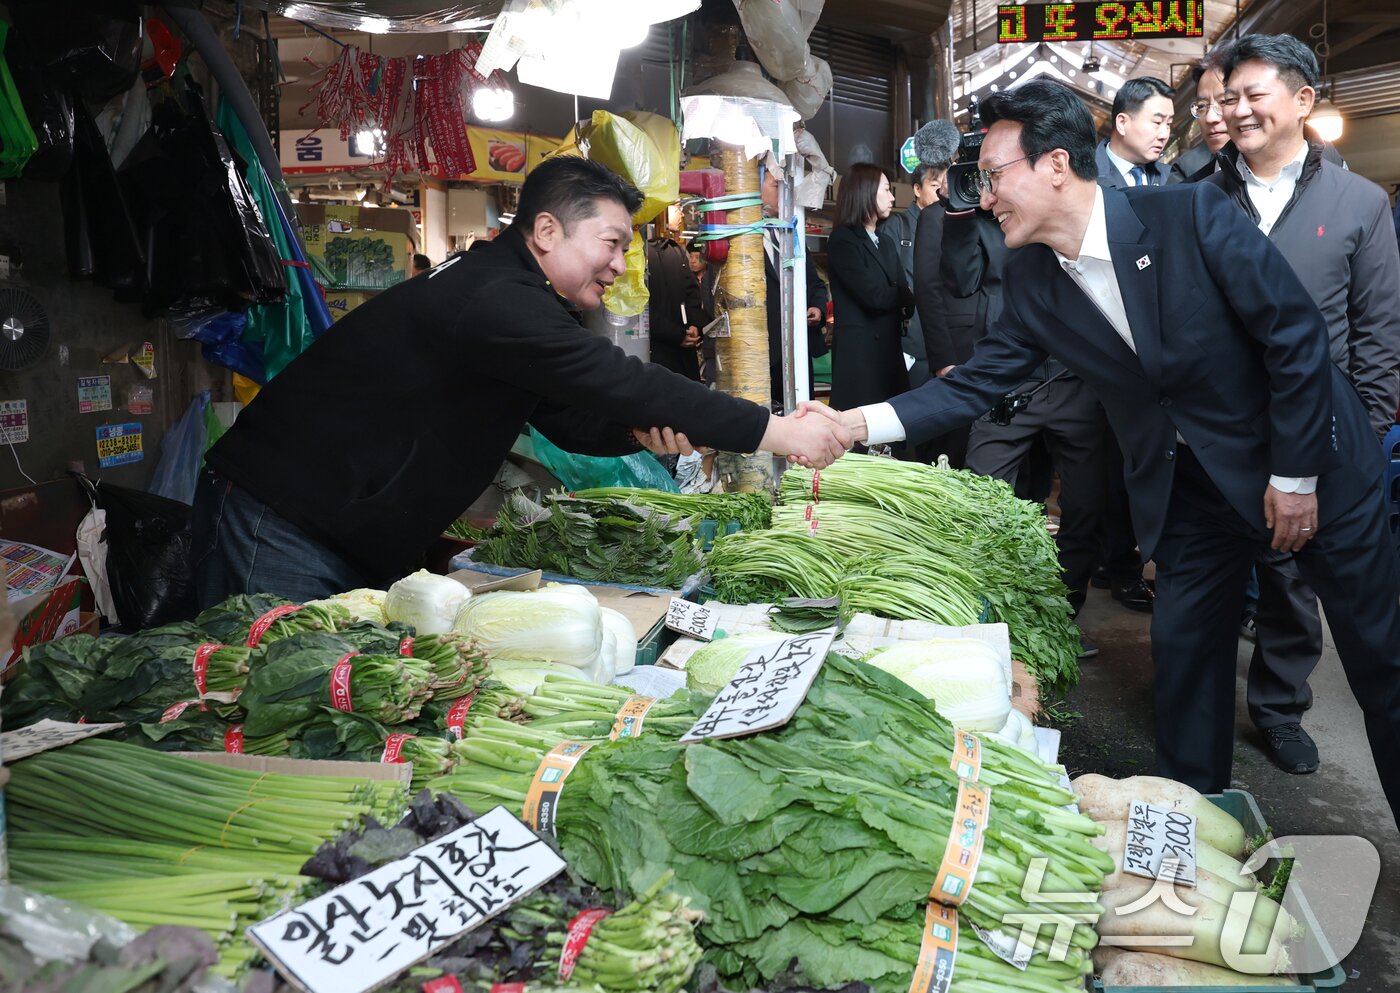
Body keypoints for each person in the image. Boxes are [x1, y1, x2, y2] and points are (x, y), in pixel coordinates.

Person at [805, 79, 1400, 825]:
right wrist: (849, 426)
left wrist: (1294, 474)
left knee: (1382, 663)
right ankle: (1196, 835)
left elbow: (1295, 338)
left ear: (1056, 164)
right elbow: (977, 384)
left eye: (993, 175)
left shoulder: (1187, 214)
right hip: (1191, 490)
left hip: (1308, 461)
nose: (985, 197)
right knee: (1185, 672)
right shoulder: (1031, 277)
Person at [192, 157, 851, 606]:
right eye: (612, 242)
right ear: (545, 230)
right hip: (279, 523)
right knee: (265, 712)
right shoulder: (495, 299)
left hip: (331, 528)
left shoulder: (506, 291)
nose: (621, 265)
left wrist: (638, 433)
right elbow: (620, 377)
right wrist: (777, 431)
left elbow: (563, 415)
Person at [1205, 33, 1400, 775]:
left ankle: (1282, 711)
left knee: (1326, 614)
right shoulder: (1200, 195)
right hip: (1225, 442)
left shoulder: (1357, 202)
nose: (1239, 110)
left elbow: (1379, 330)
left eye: (1255, 94)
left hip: (1328, 442)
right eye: (1230, 97)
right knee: (1226, 595)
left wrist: (1361, 434)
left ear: (1303, 101)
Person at [941, 185, 1110, 649]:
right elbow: (958, 280)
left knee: (1085, 508)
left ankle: (1060, 618)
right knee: (979, 497)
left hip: (1078, 385)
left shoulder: (1089, 216)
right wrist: (959, 215)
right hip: (1010, 384)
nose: (994, 188)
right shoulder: (991, 218)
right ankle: (988, 614)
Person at [1091, 76, 1179, 613]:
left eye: (1170, 123)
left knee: (1143, 458)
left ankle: (1136, 562)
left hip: (1152, 347)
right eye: (1156, 120)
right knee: (1100, 465)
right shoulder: (1086, 176)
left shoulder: (1166, 180)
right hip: (1098, 345)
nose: (1165, 133)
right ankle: (1112, 561)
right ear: (1122, 122)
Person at [826, 163, 913, 417]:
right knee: (860, 431)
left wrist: (903, 295)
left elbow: (898, 290)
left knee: (893, 428)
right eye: (886, 190)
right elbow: (874, 295)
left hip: (889, 351)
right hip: (860, 357)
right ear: (865, 192)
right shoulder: (843, 240)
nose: (892, 197)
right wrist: (904, 295)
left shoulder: (885, 240)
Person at [760, 167, 829, 411]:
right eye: (775, 186)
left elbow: (816, 284)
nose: (783, 192)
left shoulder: (790, 234)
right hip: (762, 353)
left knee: (802, 415)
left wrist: (817, 308)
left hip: (797, 349)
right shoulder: (744, 236)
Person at [644, 232, 703, 381]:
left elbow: (641, 310)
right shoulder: (676, 251)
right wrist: (693, 325)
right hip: (681, 349)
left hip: (656, 349)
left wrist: (684, 331)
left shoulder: (637, 255)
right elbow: (692, 292)